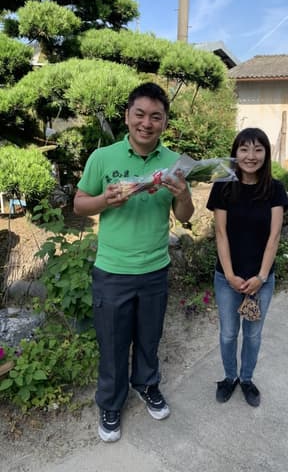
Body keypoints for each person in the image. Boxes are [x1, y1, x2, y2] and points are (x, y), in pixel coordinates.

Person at [74, 82, 194, 442]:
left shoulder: (174, 162)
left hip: (155, 269)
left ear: (165, 122)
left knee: (148, 338)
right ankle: (110, 403)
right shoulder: (103, 158)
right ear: (127, 116)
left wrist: (184, 194)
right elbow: (79, 204)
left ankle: (146, 384)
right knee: (112, 343)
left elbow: (185, 215)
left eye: (155, 117)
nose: (147, 123)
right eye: (139, 114)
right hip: (113, 271)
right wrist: (103, 201)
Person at [206, 127, 288, 407]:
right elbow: (220, 233)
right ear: (235, 153)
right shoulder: (223, 186)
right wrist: (229, 275)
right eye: (244, 149)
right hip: (227, 277)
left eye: (258, 149)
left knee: (253, 333)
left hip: (260, 280)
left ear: (266, 154)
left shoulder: (275, 190)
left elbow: (274, 236)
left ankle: (247, 378)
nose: (250, 156)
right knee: (229, 332)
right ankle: (229, 377)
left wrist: (261, 277)